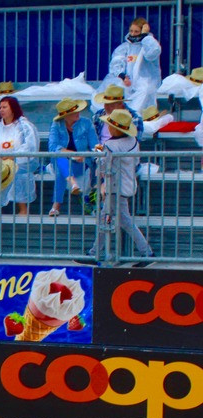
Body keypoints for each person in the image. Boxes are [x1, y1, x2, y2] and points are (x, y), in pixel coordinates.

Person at [93, 108, 154, 264]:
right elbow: (136, 163)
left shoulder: (110, 145)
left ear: (115, 128)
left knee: (125, 221)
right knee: (104, 219)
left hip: (114, 188)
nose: (108, 127)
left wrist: (97, 155)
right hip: (127, 184)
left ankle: (147, 252)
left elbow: (103, 166)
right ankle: (94, 252)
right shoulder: (133, 142)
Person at [0, 96, 39, 215]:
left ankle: (22, 208)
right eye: (0, 107)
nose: (1, 110)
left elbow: (30, 145)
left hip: (19, 161)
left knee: (18, 172)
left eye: (5, 107)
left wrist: (12, 156)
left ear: (13, 108)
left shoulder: (24, 125)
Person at [48, 98, 98, 217]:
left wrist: (84, 155)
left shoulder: (86, 123)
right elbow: (53, 147)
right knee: (61, 160)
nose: (78, 113)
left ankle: (56, 206)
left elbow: (95, 146)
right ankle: (73, 184)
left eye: (77, 110)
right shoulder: (56, 125)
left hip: (82, 162)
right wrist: (73, 154)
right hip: (63, 160)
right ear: (65, 115)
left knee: (61, 167)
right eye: (73, 112)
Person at [107, 17, 161, 115]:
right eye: (131, 31)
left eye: (136, 31)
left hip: (145, 81)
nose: (132, 34)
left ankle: (132, 117)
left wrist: (145, 37)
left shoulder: (148, 45)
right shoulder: (125, 47)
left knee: (145, 91)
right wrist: (122, 76)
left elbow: (152, 53)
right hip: (128, 81)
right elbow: (116, 62)